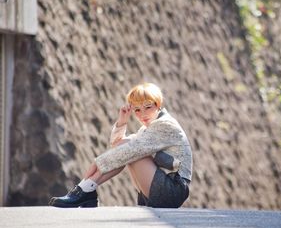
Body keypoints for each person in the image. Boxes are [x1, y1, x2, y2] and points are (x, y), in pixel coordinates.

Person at [49, 82, 192, 208]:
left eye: (147, 107)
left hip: (173, 190)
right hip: (163, 188)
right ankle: (86, 190)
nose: (142, 114)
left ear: (158, 104)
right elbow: (117, 145)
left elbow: (126, 150)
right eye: (137, 110)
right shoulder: (147, 129)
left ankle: (85, 189)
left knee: (130, 149)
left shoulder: (165, 125)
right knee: (127, 148)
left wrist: (97, 163)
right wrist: (122, 121)